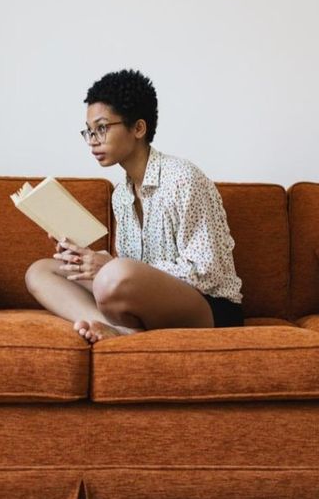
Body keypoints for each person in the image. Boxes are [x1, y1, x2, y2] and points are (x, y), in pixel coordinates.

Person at [25, 68, 244, 344]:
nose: (93, 140)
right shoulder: (121, 195)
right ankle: (118, 330)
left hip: (210, 307)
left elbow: (206, 271)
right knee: (41, 271)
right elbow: (130, 276)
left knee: (113, 275)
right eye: (89, 131)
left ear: (138, 128)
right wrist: (85, 260)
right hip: (142, 298)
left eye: (102, 128)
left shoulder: (183, 179)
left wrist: (112, 267)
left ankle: (119, 324)